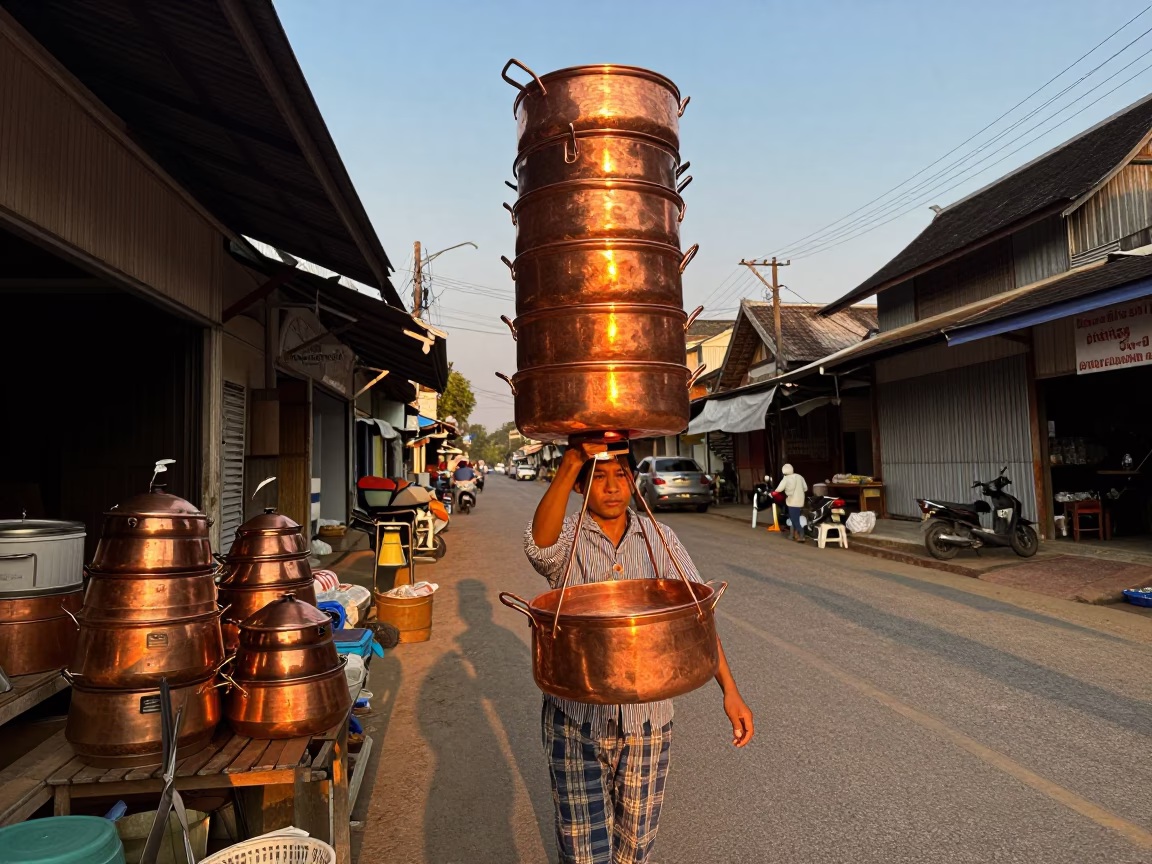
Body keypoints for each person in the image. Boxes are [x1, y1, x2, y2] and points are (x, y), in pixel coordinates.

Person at [525, 438, 754, 864]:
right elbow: (539, 546)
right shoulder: (566, 537)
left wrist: (730, 691)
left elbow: (696, 614)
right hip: (575, 719)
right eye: (599, 477)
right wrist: (574, 458)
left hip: (648, 723)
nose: (612, 487)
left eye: (621, 475)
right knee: (583, 851)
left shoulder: (659, 537)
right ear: (580, 486)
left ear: (633, 480)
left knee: (636, 849)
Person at [775, 463, 808, 543]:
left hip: (792, 501)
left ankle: (801, 535)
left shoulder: (786, 478)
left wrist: (774, 492)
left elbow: (779, 489)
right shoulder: (800, 477)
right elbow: (805, 488)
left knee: (794, 519)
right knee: (795, 517)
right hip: (800, 501)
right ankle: (795, 534)